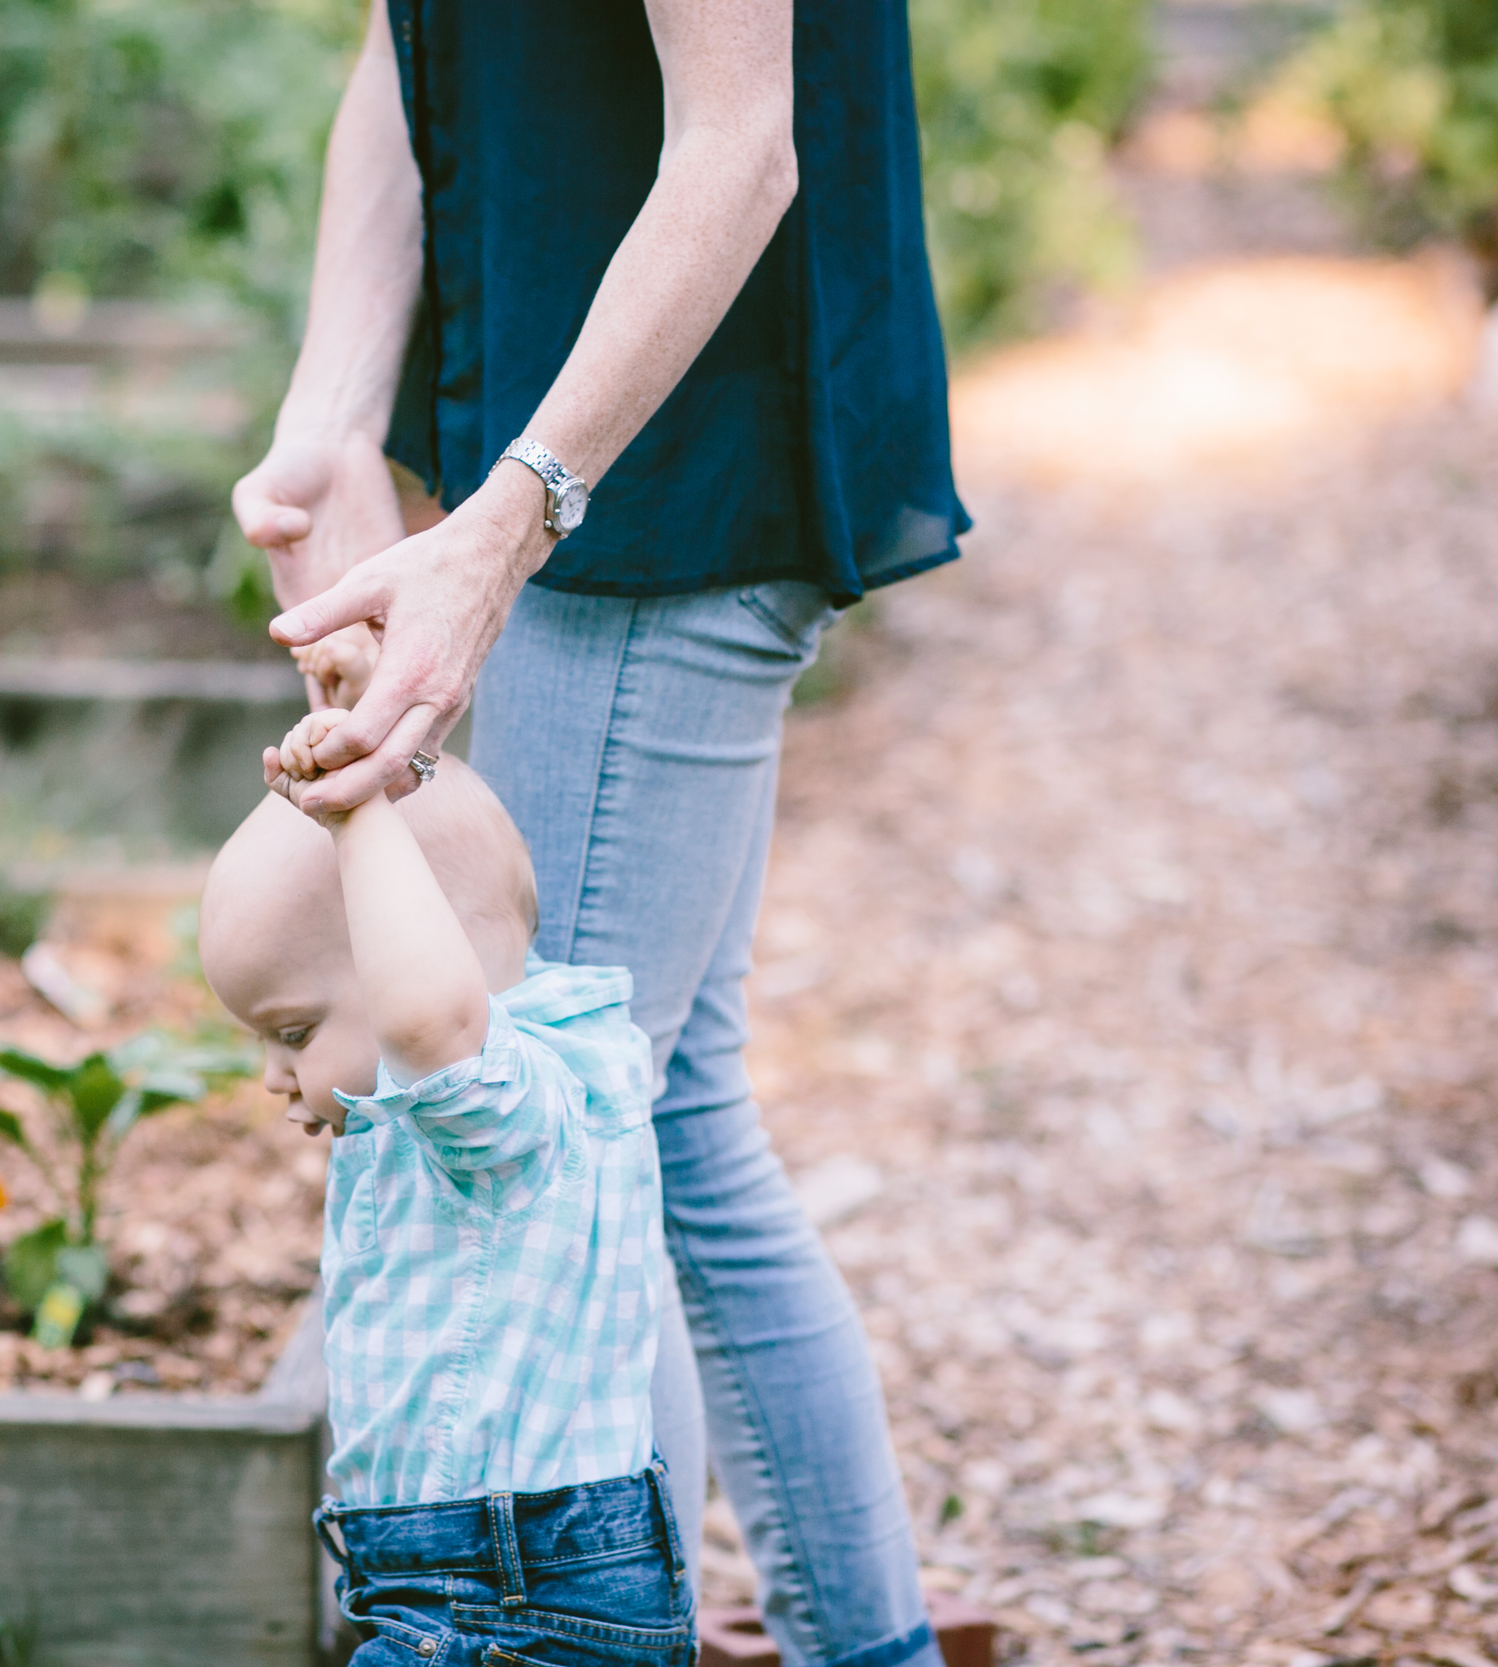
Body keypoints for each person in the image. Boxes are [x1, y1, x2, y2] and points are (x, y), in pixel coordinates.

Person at [231, 0, 965, 1663]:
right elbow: (401, 41)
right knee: (666, 1111)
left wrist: (512, 520)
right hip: (590, 476)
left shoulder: (570, 508)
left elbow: (740, 141)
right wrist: (333, 412)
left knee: (582, 1136)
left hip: (661, 484)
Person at [200, 710, 689, 1664]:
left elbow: (429, 1020)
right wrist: (352, 722)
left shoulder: (504, 1114)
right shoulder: (507, 1076)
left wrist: (358, 816)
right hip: (475, 1583)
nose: (272, 1075)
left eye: (293, 1031)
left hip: (514, 1605)